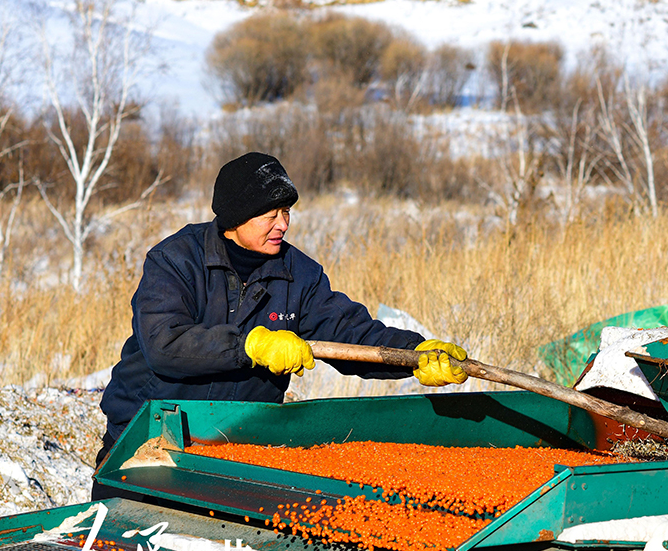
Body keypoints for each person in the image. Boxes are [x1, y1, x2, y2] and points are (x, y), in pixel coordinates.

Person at [93, 152, 467, 500]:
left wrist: (414, 354)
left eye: (286, 212)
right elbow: (166, 344)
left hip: (237, 449)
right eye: (269, 215)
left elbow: (351, 332)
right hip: (149, 442)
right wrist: (250, 346)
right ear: (236, 217)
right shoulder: (175, 260)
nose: (283, 224)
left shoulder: (298, 275)